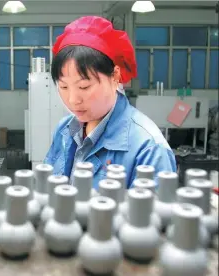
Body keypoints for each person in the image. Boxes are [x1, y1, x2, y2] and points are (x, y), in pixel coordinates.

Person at [43, 16, 177, 189]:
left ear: (115, 77)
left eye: (84, 87)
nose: (72, 99)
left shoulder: (148, 149)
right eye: (63, 86)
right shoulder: (64, 129)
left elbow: (149, 214)